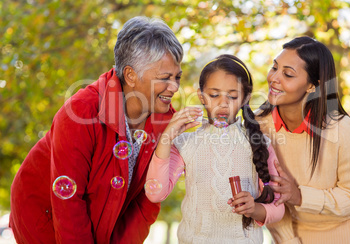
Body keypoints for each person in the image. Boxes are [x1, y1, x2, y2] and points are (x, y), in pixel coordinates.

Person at [9, 16, 183, 243]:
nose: (175, 87)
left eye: (177, 76)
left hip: (102, 222)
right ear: (131, 75)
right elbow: (68, 204)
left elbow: (145, 202)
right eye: (165, 78)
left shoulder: (166, 121)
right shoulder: (81, 112)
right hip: (44, 218)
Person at [256, 36, 350, 243]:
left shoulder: (339, 127)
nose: (274, 78)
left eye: (288, 74)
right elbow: (265, 195)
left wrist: (300, 196)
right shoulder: (258, 126)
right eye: (274, 67)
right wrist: (289, 241)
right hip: (297, 232)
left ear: (312, 86)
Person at [145, 54, 285, 243]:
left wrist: (255, 209)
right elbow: (155, 193)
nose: (223, 102)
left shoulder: (260, 144)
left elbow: (279, 207)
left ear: (245, 98)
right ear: (201, 97)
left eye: (232, 96)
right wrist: (167, 137)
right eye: (214, 95)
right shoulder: (186, 143)